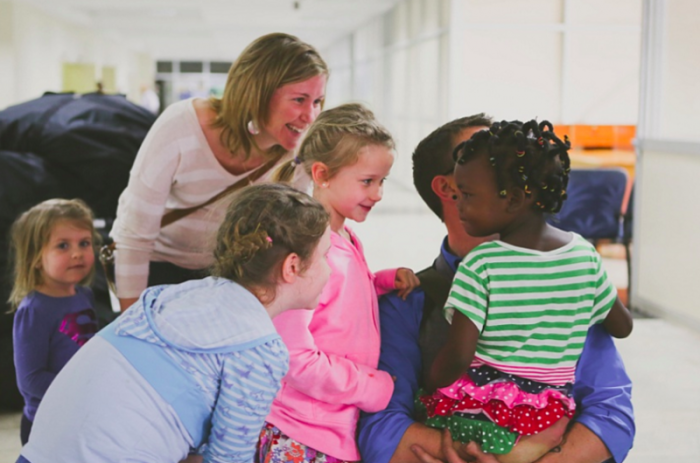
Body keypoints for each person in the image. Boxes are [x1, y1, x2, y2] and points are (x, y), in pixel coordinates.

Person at [357, 115, 636, 463]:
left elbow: (612, 415)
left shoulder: (569, 273)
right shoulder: (406, 302)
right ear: (450, 186)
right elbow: (379, 429)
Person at [17, 183, 332, 463]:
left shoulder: (171, 297)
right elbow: (229, 457)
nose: (330, 269)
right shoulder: (261, 347)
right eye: (324, 257)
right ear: (292, 266)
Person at [111, 32, 328, 311]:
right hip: (156, 267)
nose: (309, 117)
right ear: (257, 93)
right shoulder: (180, 126)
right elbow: (134, 239)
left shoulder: (297, 156)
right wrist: (133, 324)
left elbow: (292, 241)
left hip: (225, 276)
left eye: (317, 102)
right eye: (299, 100)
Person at [258, 104, 420, 463]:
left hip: (327, 427)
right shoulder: (307, 251)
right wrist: (371, 387)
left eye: (381, 181)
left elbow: (335, 300)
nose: (377, 194)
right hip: (301, 433)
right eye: (367, 181)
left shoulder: (341, 237)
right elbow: (295, 357)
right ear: (322, 174)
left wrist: (380, 281)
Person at [9, 199, 100, 445]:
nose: (77, 253)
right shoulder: (34, 311)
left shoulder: (84, 295)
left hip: (82, 416)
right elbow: (30, 379)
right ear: (36, 258)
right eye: (62, 246)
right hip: (47, 423)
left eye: (84, 243)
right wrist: (79, 391)